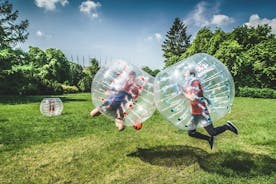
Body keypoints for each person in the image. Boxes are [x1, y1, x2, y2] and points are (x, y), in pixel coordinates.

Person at [183, 69, 238, 150]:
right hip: (195, 112)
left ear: (192, 75)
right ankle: (209, 139)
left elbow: (192, 97)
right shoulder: (191, 84)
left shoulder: (195, 83)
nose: (184, 74)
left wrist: (183, 93)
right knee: (191, 132)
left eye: (186, 72)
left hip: (201, 112)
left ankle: (227, 126)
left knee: (213, 132)